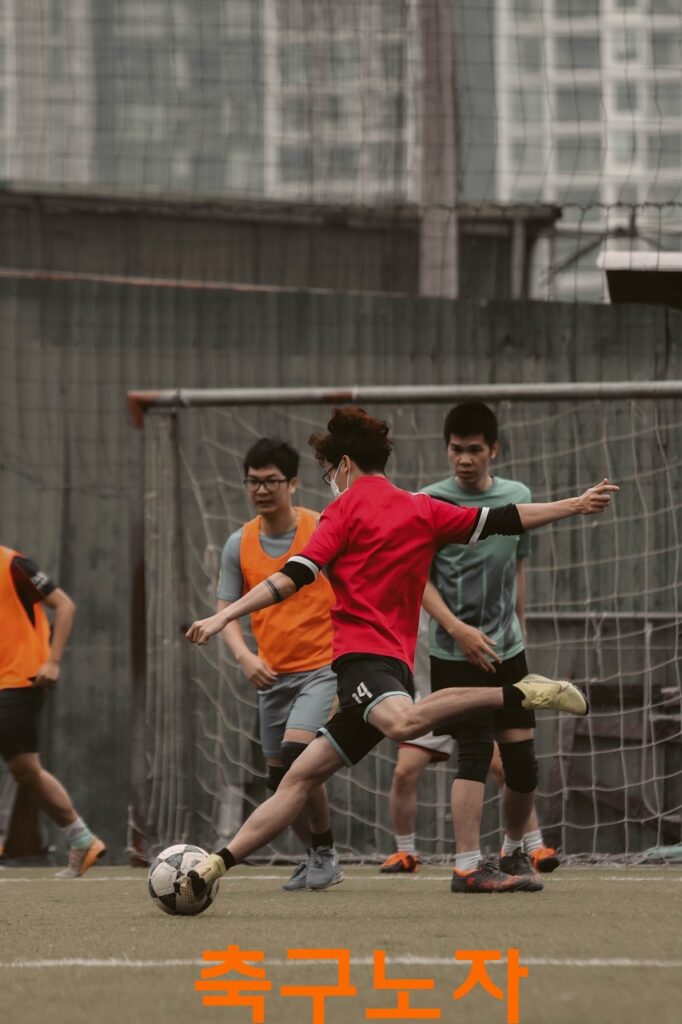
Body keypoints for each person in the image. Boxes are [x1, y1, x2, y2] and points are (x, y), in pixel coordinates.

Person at [178, 407, 617, 902]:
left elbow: (292, 576)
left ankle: (518, 691)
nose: (329, 482)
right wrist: (573, 505)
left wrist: (222, 617)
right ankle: (212, 866)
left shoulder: (342, 511)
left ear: (344, 464)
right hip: (384, 672)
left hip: (365, 665)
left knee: (406, 725)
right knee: (296, 779)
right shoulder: (421, 507)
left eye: (327, 472)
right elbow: (504, 519)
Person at [381, 401, 560, 890]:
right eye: (456, 450)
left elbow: (517, 570)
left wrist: (517, 632)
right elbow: (416, 578)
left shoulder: (516, 498)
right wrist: (458, 629)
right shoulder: (428, 502)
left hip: (509, 652)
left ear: (493, 450)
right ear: (447, 450)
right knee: (475, 754)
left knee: (522, 766)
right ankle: (466, 865)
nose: (464, 458)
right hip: (453, 653)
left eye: (474, 450)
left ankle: (512, 852)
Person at [217, 438, 341, 891]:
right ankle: (315, 856)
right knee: (278, 779)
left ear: (293, 483)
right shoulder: (239, 543)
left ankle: (325, 852)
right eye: (254, 481)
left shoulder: (321, 527)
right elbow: (227, 609)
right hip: (272, 676)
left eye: (272, 481)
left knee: (296, 758)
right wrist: (245, 656)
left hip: (324, 668)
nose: (262, 489)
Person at [0, 544, 105, 877]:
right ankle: (81, 838)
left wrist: (53, 661)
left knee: (25, 768)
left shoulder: (12, 564)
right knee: (25, 770)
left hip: (19, 679)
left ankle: (81, 837)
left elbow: (64, 605)